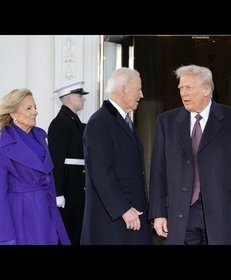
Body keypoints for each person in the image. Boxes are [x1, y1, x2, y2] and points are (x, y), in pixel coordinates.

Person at [148, 64, 231, 245]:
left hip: (223, 213)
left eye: (188, 88)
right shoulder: (166, 122)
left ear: (206, 89)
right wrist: (158, 213)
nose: (183, 93)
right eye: (181, 88)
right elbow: (158, 171)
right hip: (181, 214)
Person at [80, 67, 153, 245]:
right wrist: (124, 209)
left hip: (130, 219)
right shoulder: (100, 122)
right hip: (114, 222)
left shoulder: (122, 120)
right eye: (138, 89)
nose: (141, 95)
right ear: (123, 89)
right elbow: (100, 173)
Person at [0, 88, 70, 245]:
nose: (35, 112)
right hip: (20, 213)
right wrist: (5, 235)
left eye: (35, 107)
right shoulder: (3, 143)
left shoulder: (40, 136)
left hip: (45, 209)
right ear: (13, 114)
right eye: (29, 108)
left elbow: (49, 177)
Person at [47, 81, 89, 245]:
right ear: (69, 99)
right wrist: (58, 193)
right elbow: (55, 160)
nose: (83, 100)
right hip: (69, 187)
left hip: (78, 187)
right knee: (68, 232)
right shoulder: (60, 123)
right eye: (80, 96)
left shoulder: (75, 122)